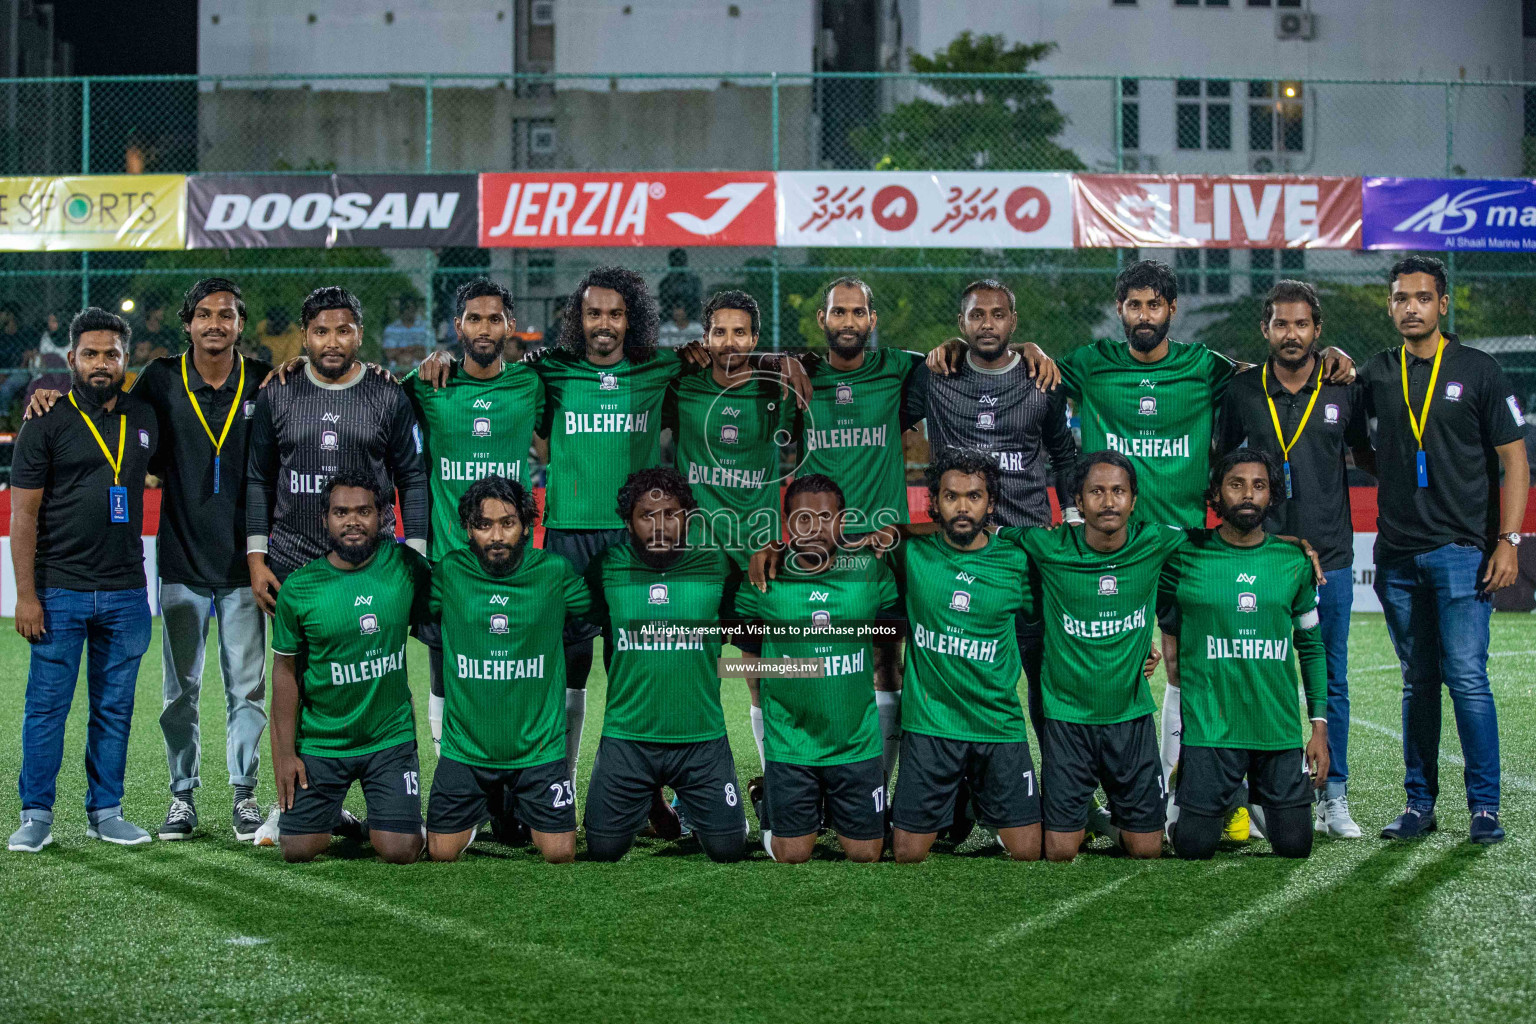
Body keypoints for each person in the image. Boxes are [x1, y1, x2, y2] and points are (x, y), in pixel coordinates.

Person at [417, 267, 805, 814]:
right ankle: (562, 787)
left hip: (640, 543)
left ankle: (660, 793)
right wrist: (442, 362)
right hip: (570, 542)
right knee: (568, 665)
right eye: (594, 313)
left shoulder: (661, 367)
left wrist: (778, 359)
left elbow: (727, 361)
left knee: (655, 659)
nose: (604, 323)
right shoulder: (550, 370)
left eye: (615, 313)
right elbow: (492, 376)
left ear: (632, 319)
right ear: (578, 319)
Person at [28, 279, 276, 841]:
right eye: (205, 314)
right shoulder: (160, 381)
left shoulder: (265, 380)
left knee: (248, 690)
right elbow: (104, 408)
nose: (216, 324)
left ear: (241, 324)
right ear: (187, 323)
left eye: (228, 315)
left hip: (244, 566)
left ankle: (244, 796)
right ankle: (182, 797)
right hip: (180, 563)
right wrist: (46, 398)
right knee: (178, 693)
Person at [806, 278, 1058, 788]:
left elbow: (1064, 451)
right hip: (908, 545)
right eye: (976, 317)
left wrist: (1024, 350)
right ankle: (855, 787)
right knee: (830, 660)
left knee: (1035, 669)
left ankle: (1054, 787)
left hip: (1020, 545)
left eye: (998, 315)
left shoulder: (1033, 376)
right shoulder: (922, 372)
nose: (987, 324)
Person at [1358, 255, 1529, 845]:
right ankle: (1419, 805)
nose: (1411, 307)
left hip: (1463, 550)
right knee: (1416, 681)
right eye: (1401, 297)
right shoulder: (1377, 373)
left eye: (1423, 298)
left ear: (1442, 304)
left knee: (1467, 678)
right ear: (1390, 304)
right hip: (1398, 555)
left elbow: (1514, 462)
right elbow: (1357, 444)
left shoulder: (1478, 370)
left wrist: (1508, 542)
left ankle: (1485, 808)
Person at [1217, 280, 1368, 838]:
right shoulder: (1241, 392)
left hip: (1328, 557)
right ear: (1266, 329)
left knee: (1333, 679)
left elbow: (1365, 452)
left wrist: (1344, 364)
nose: (1291, 334)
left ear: (1317, 331)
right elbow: (1224, 466)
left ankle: (1334, 797)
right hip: (1260, 556)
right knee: (1249, 670)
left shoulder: (1342, 389)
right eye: (1280, 324)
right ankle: (1253, 797)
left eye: (1301, 324)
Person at [7, 308, 159, 853]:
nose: (101, 363)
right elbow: (22, 515)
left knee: (114, 707)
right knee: (47, 707)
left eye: (112, 354)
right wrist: (26, 594)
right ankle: (36, 815)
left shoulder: (145, 416)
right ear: (71, 359)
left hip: (125, 590)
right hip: (59, 589)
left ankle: (106, 811)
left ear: (126, 359)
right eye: (90, 354)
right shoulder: (44, 420)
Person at [1009, 451, 1183, 863]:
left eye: (1119, 491)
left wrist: (1292, 542)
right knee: (1059, 851)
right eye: (1097, 492)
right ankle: (1089, 817)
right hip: (1068, 721)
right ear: (1078, 501)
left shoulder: (1155, 542)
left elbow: (1224, 542)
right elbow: (986, 536)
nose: (1108, 502)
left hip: (1130, 717)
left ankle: (1108, 820)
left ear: (1134, 500)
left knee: (1147, 850)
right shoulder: (1049, 545)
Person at [402, 279, 545, 754]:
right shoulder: (428, 384)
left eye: (495, 318)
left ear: (511, 326)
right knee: (447, 675)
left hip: (513, 566)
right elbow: (367, 391)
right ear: (457, 326)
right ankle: (453, 776)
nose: (485, 329)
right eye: (474, 319)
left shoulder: (531, 384)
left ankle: (512, 774)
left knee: (508, 671)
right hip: (449, 562)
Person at [1165, 450, 1328, 860]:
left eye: (1259, 486)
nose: (1248, 495)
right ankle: (1188, 802)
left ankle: (1251, 797)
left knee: (1295, 847)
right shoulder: (1183, 553)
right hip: (1211, 729)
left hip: (1276, 730)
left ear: (1272, 495)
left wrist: (1319, 727)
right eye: (1236, 484)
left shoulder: (1293, 561)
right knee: (1192, 847)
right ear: (1217, 494)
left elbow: (1310, 645)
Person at [579, 468, 747, 863]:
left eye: (670, 513)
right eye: (647, 515)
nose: (659, 525)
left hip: (701, 738)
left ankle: (756, 796)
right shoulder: (606, 567)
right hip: (628, 738)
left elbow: (737, 625)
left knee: (728, 849)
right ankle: (650, 798)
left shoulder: (717, 566)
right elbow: (602, 627)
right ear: (628, 521)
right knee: (604, 849)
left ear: (687, 516)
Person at [888, 448, 1043, 864]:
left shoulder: (1016, 561)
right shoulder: (912, 555)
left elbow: (1056, 620)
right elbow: (883, 535)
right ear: (934, 502)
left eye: (973, 496)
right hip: (931, 723)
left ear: (990, 503)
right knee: (906, 854)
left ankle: (974, 800)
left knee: (1029, 852)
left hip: (997, 722)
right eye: (951, 496)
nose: (962, 506)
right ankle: (962, 800)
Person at [734, 474, 899, 863]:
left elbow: (886, 649)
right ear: (787, 524)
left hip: (855, 741)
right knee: (793, 855)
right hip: (793, 741)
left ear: (843, 521)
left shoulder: (870, 572)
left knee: (867, 854)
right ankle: (767, 803)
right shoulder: (763, 579)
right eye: (802, 518)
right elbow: (748, 659)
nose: (814, 528)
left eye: (826, 517)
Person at [270, 472, 432, 864]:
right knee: (299, 849)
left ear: (382, 516)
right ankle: (337, 816)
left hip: (388, 739)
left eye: (364, 511)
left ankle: (384, 820)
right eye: (341, 512)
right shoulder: (300, 587)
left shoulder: (406, 567)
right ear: (325, 518)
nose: (352, 521)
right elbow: (284, 675)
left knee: (400, 850)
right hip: (323, 742)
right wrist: (285, 756)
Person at [663, 289, 795, 773]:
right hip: (696, 558)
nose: (729, 341)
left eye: (741, 331)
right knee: (694, 676)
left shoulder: (773, 390)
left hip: (755, 558)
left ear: (756, 338)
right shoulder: (683, 386)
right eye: (720, 331)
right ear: (706, 336)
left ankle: (775, 778)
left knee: (759, 675)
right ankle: (689, 789)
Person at [426, 476, 588, 864]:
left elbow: (610, 609)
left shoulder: (555, 572)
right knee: (441, 852)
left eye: (507, 523)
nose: (496, 535)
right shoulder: (450, 572)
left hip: (538, 749)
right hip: (467, 750)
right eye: (484, 525)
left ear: (528, 525)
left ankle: (514, 804)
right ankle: (487, 809)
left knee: (560, 852)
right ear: (468, 528)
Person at [245, 286, 430, 609]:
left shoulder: (387, 394)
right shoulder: (277, 393)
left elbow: (412, 480)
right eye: (321, 332)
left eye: (343, 331)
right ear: (305, 336)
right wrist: (257, 561)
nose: (332, 342)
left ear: (359, 335)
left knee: (372, 660)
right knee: (294, 659)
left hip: (372, 561)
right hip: (293, 560)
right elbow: (259, 480)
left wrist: (415, 557)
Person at [382, 295, 433, 373]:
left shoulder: (425, 328)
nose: (408, 311)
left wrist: (404, 352)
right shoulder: (391, 329)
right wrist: (414, 349)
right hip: (397, 365)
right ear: (400, 310)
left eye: (412, 308)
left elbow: (430, 352)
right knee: (402, 362)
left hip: (420, 365)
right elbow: (389, 353)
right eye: (405, 308)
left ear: (416, 309)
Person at [656, 247, 702, 330]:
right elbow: (663, 302)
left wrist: (687, 309)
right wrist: (674, 309)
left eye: (680, 260)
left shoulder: (693, 281)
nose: (678, 263)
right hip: (670, 313)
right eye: (675, 260)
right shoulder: (665, 282)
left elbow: (697, 300)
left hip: (691, 313)